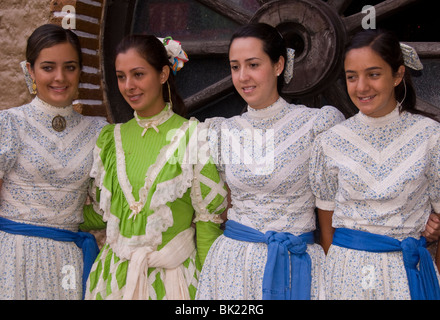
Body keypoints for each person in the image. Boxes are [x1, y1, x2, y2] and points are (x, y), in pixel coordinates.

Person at [195, 23, 345, 300]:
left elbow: (336, 206)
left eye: (253, 64)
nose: (243, 77)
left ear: (278, 65)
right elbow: (225, 201)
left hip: (296, 265)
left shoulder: (317, 124)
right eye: (235, 67)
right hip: (233, 267)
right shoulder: (220, 131)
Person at [85, 34, 228, 300]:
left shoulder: (194, 137)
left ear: (163, 74)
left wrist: (211, 293)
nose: (129, 86)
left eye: (138, 74)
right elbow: (99, 214)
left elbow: (207, 225)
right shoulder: (109, 139)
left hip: (174, 283)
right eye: (121, 76)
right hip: (113, 281)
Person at [309, 29, 440, 300]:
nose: (361, 87)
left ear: (398, 75)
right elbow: (327, 229)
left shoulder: (430, 137)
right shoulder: (330, 142)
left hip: (407, 277)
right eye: (351, 77)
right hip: (345, 278)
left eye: (374, 74)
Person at [0, 24, 107, 299]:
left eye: (69, 67)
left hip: (67, 259)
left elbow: (106, 206)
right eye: (48, 67)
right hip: (12, 255)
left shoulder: (98, 131)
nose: (60, 77)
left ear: (80, 71)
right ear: (30, 70)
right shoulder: (10, 124)